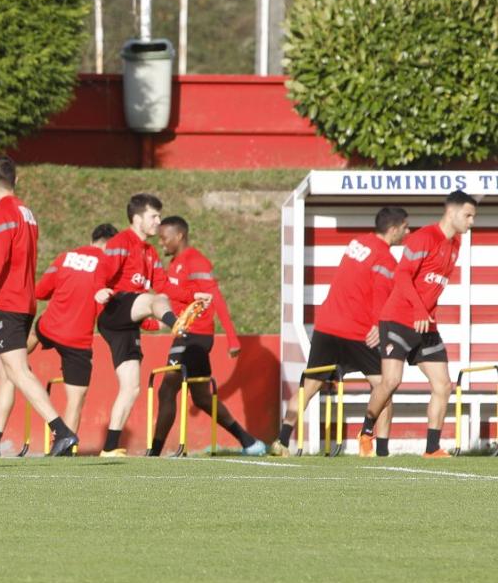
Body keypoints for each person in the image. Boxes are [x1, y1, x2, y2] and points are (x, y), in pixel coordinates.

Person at [0, 156, 78, 458]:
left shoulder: (0, 215)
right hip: (25, 301)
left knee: (18, 370)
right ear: (16, 180)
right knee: (5, 372)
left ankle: (61, 431)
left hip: (7, 302)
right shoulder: (27, 213)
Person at [271, 207, 407, 457]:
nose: (407, 232)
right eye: (405, 227)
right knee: (384, 387)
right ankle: (382, 449)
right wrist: (378, 324)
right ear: (394, 229)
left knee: (309, 387)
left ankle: (281, 440)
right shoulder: (386, 259)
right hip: (357, 332)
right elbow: (380, 295)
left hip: (326, 326)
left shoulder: (356, 243)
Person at [359, 192, 477, 458]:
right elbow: (402, 275)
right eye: (468, 215)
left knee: (443, 385)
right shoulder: (423, 237)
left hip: (426, 326)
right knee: (390, 382)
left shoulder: (455, 244)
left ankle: (432, 448)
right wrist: (420, 309)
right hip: (398, 320)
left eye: (473, 217)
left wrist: (427, 313)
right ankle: (366, 431)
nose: (471, 222)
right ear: (452, 213)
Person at [149, 216, 265, 456]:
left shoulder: (195, 261)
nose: (162, 243)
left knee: (167, 388)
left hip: (195, 335)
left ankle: (154, 453)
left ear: (179, 236)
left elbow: (216, 300)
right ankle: (249, 442)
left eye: (164, 238)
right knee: (201, 397)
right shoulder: (177, 263)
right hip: (186, 334)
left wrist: (232, 339)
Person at [92, 193, 181, 457]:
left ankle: (109, 447)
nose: (158, 221)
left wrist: (191, 295)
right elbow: (103, 270)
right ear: (137, 218)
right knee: (155, 300)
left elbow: (165, 286)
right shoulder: (122, 242)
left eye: (159, 216)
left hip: (128, 324)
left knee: (131, 388)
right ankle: (176, 323)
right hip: (115, 309)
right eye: (154, 216)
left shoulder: (150, 252)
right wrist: (99, 290)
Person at [27, 223, 117, 439]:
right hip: (78, 338)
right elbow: (106, 304)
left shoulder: (65, 257)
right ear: (111, 246)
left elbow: (40, 291)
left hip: (51, 324)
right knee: (76, 399)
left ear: (93, 239)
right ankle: (64, 446)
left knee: (34, 335)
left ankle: (13, 364)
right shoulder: (108, 264)